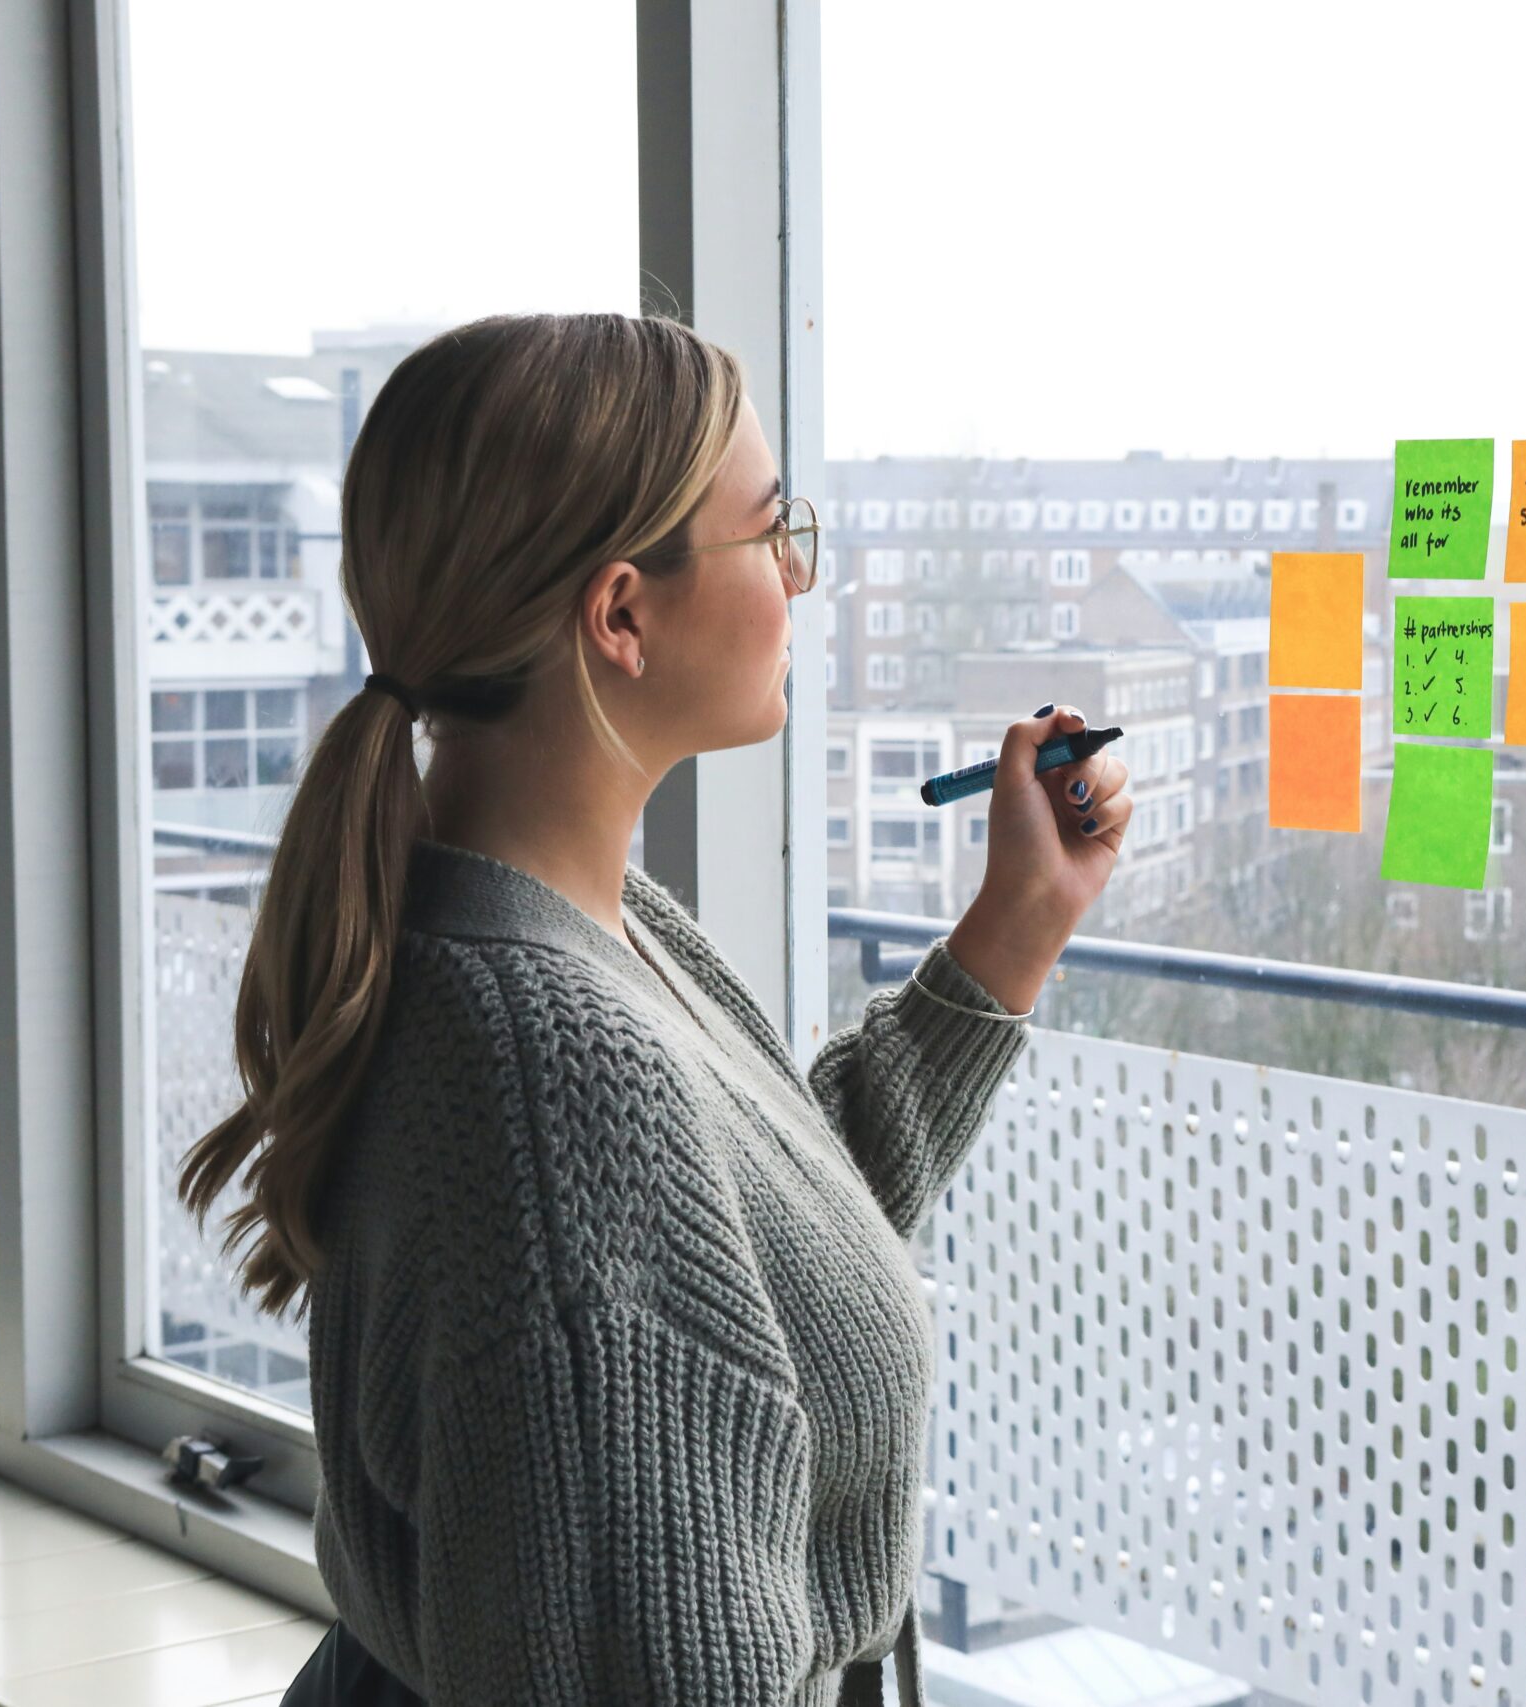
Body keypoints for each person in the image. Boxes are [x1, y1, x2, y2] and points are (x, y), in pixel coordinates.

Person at [179, 312, 1127, 1706]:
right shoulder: (554, 1073)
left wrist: (1015, 931)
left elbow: (754, 1285)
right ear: (621, 614)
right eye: (770, 533)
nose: (801, 576)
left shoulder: (563, 930)